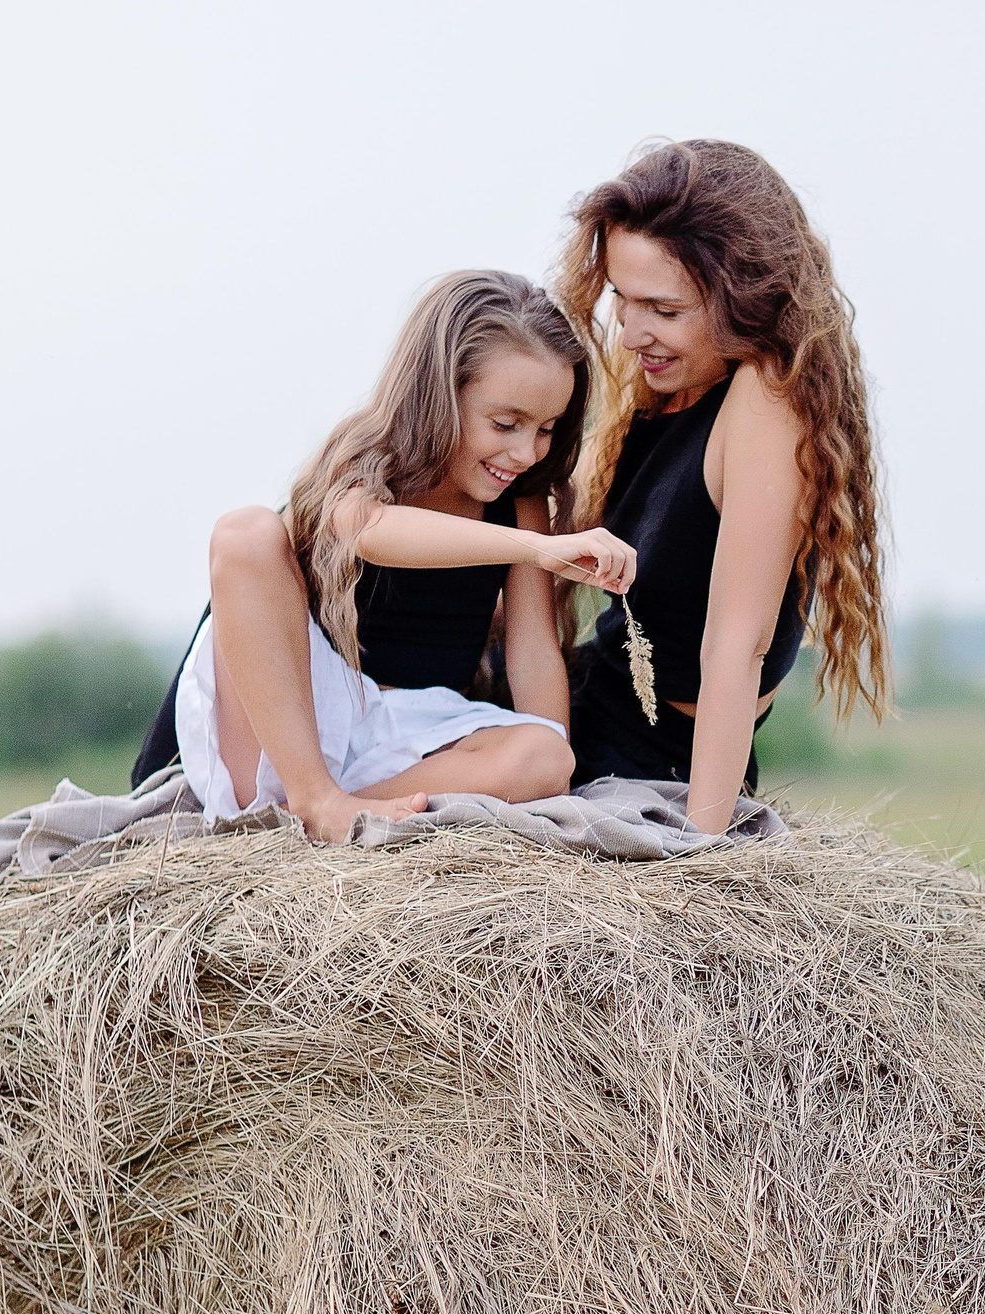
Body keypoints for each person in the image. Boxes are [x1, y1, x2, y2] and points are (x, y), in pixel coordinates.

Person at [138, 269, 634, 844]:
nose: (525, 451)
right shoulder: (363, 464)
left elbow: (531, 651)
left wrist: (554, 775)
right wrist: (542, 548)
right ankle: (315, 800)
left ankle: (328, 816)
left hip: (408, 748)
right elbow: (369, 530)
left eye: (546, 429)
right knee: (245, 533)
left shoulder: (520, 504)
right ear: (442, 395)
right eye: (505, 423)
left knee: (545, 755)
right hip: (291, 731)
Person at [554, 140, 891, 833]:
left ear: (745, 300)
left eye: (664, 309)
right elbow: (551, 525)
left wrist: (702, 858)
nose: (630, 333)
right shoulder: (658, 395)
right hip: (579, 707)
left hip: (655, 762)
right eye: (622, 299)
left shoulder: (767, 399)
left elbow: (737, 645)